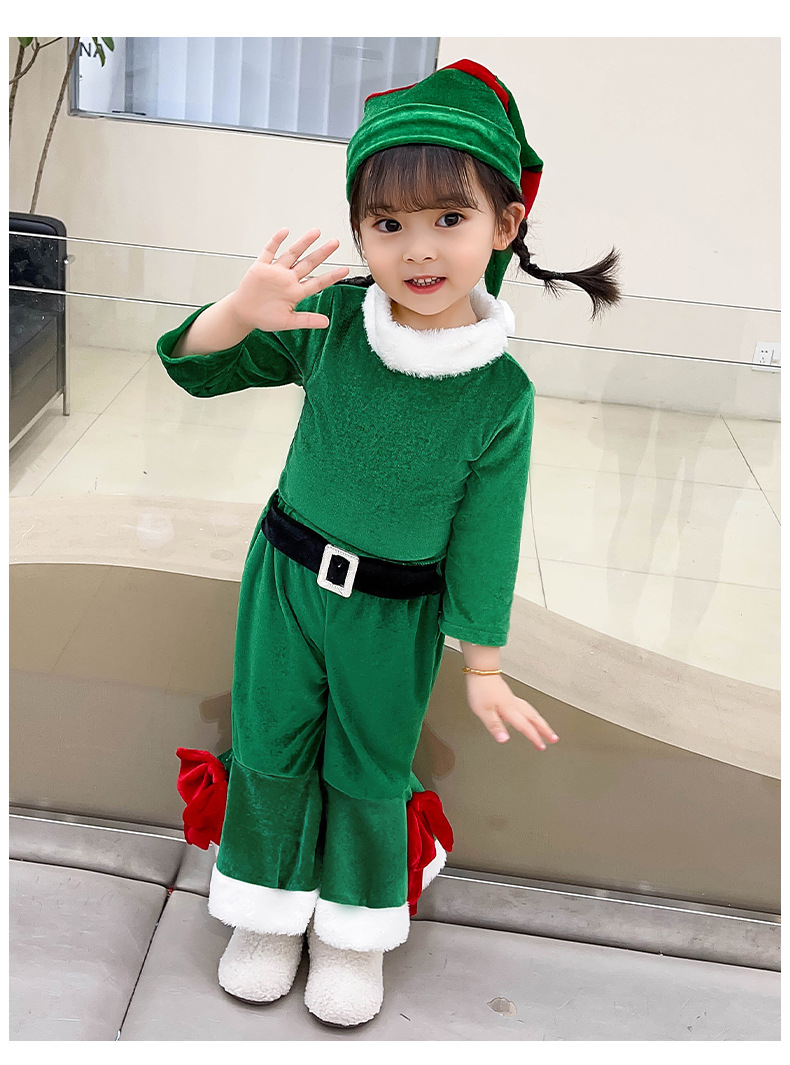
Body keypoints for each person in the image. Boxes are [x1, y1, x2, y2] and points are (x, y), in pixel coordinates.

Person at [160, 58, 621, 1029]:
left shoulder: (500, 395)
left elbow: (487, 535)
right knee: (271, 743)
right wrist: (236, 313)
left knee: (369, 764)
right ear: (361, 230)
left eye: (448, 218)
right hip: (285, 582)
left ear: (505, 226)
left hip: (395, 613)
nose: (418, 249)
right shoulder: (331, 320)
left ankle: (351, 931)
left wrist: (483, 663)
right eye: (388, 223)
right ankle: (266, 914)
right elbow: (196, 371)